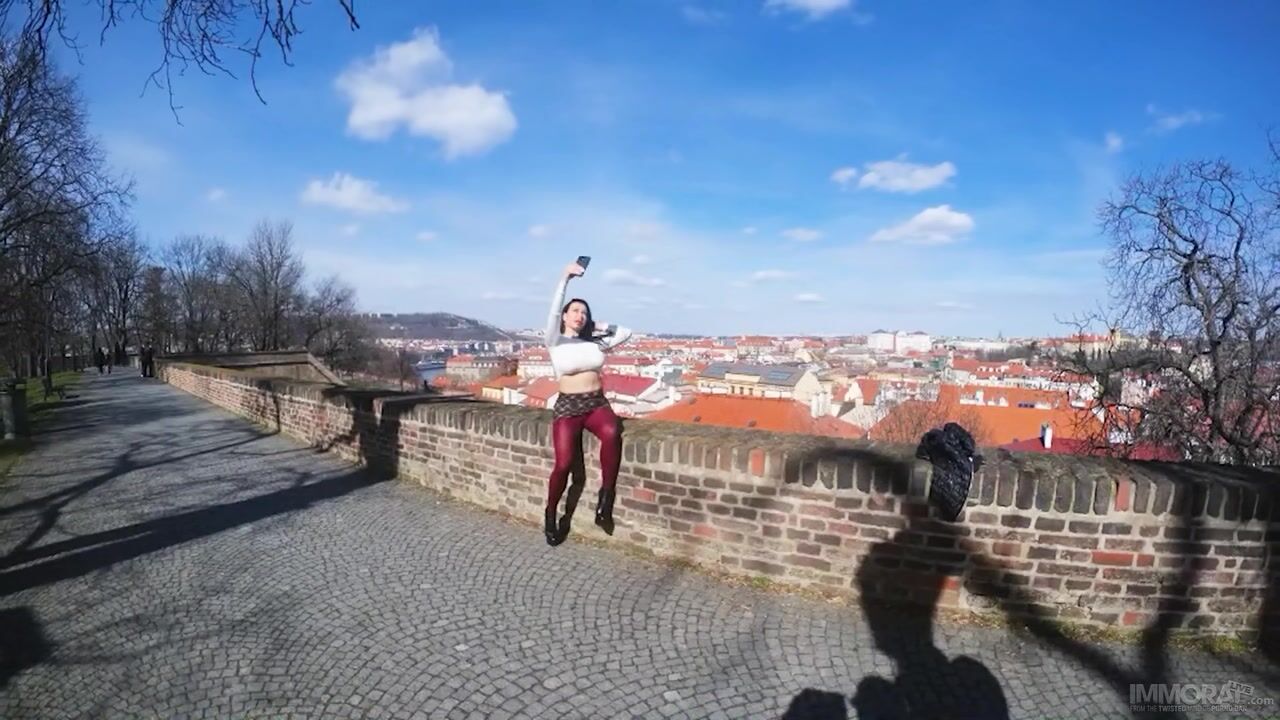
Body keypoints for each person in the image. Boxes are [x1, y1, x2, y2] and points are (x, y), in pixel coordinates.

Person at [542, 259, 633, 545]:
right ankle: (551, 512)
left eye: (584, 312)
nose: (580, 315)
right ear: (564, 316)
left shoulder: (594, 342)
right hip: (569, 406)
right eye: (575, 311)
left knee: (612, 433)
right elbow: (553, 309)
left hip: (596, 403)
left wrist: (595, 325)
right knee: (564, 464)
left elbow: (626, 332)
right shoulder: (555, 340)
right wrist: (565, 278)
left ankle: (605, 501)